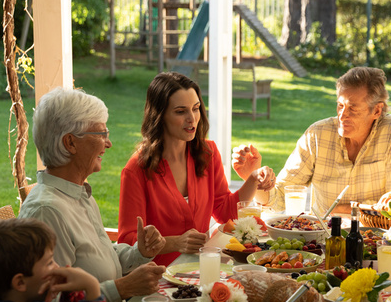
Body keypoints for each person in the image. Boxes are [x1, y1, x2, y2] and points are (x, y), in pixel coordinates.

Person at [20, 87, 167, 302]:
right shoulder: (46, 211)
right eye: (101, 135)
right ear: (70, 143)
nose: (108, 143)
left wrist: (139, 253)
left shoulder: (78, 193)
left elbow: (99, 260)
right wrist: (122, 288)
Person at [118, 72, 275, 266]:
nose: (192, 118)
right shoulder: (136, 170)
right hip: (156, 277)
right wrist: (174, 243)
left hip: (200, 270)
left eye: (196, 108)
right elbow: (127, 241)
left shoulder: (207, 153)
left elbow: (224, 212)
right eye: (180, 111)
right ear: (160, 116)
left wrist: (253, 179)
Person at [232, 66, 391, 216]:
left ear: (376, 111)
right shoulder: (317, 135)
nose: (343, 115)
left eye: (353, 108)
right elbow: (279, 197)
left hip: (374, 239)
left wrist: (344, 209)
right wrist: (254, 179)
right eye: (340, 105)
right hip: (322, 241)